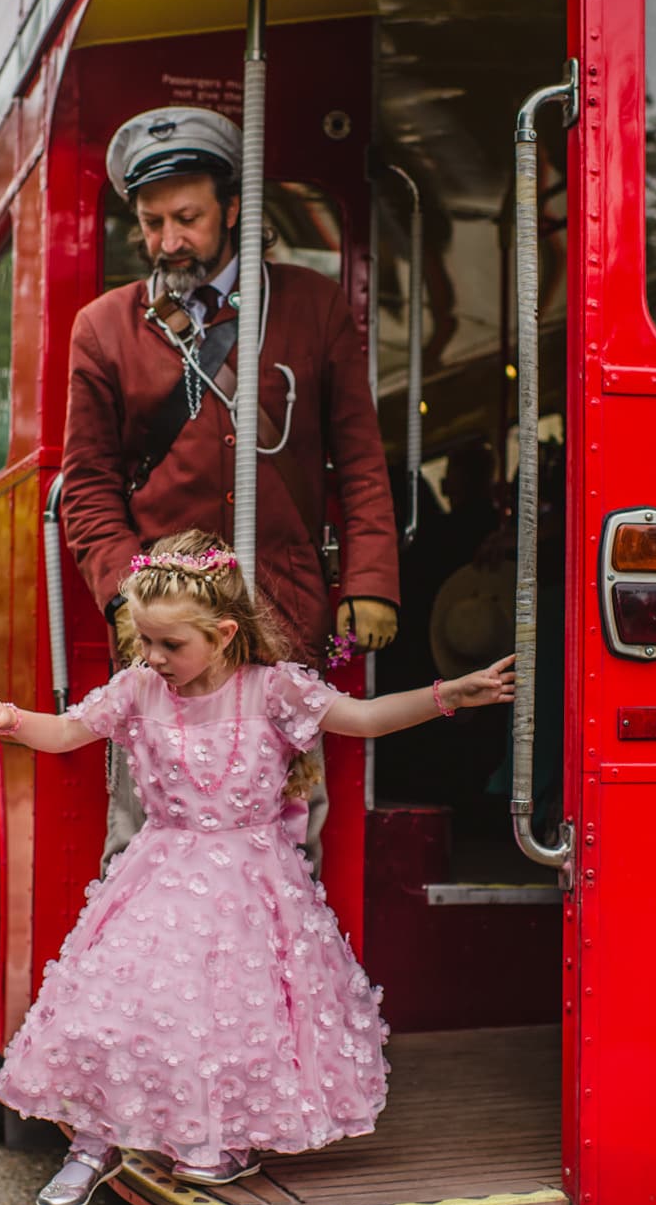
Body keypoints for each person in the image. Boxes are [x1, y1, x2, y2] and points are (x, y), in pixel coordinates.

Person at [0, 531, 514, 1205]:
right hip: (161, 869)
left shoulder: (272, 689)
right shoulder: (139, 688)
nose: (154, 658)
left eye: (170, 645)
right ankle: (94, 1144)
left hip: (253, 884)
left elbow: (363, 718)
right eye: (145, 641)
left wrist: (446, 693)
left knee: (234, 1017)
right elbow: (71, 730)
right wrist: (8, 718)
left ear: (223, 633)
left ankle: (213, 1138)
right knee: (126, 1006)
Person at [61, 105, 402, 872]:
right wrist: (128, 597)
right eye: (151, 223)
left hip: (283, 610)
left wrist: (372, 578)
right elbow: (86, 484)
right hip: (164, 629)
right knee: (143, 836)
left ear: (235, 209)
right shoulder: (103, 327)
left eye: (186, 217)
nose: (167, 241)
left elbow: (360, 458)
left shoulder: (314, 305)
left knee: (287, 836)